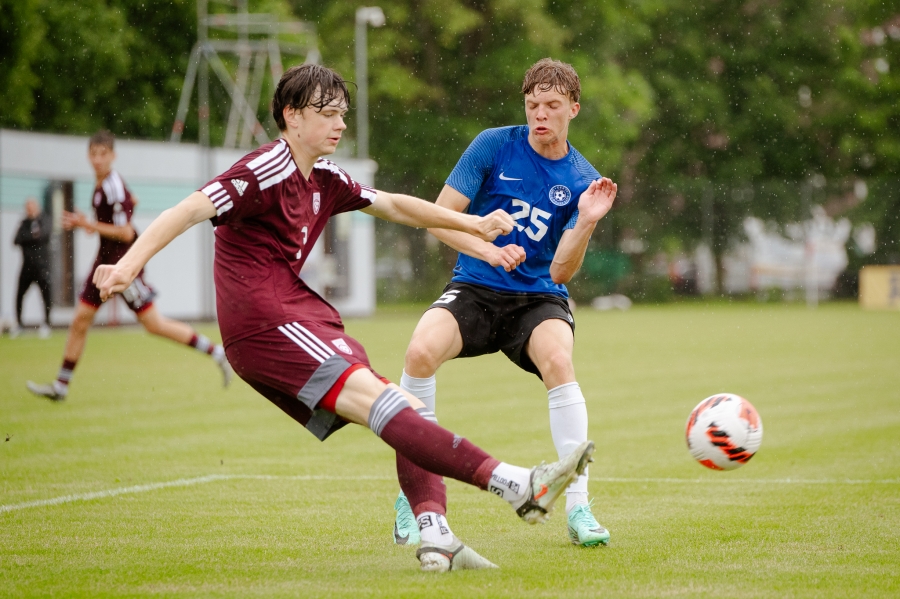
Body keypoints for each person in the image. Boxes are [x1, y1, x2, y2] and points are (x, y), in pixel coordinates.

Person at [92, 63, 595, 573]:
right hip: (267, 323)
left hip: (298, 314)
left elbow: (395, 206)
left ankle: (435, 531)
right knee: (392, 402)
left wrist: (474, 224)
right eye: (326, 113)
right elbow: (189, 208)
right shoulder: (266, 167)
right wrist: (129, 264)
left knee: (396, 407)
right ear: (290, 116)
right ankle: (515, 484)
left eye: (342, 114)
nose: (339, 124)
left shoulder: (326, 177)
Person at [392, 58, 617, 548]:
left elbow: (560, 272)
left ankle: (579, 507)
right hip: (475, 286)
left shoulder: (584, 178)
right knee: (418, 353)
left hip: (538, 297)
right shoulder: (493, 144)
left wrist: (586, 222)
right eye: (533, 104)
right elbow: (437, 220)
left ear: (573, 109)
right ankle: (415, 498)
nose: (541, 114)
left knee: (559, 359)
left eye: (552, 106)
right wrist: (489, 249)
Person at [27, 130, 232, 401]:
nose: (98, 159)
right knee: (80, 321)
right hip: (104, 263)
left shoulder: (112, 186)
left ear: (113, 156)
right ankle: (61, 387)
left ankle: (216, 353)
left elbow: (125, 232)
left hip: (124, 266)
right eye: (94, 154)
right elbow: (129, 203)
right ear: (88, 156)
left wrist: (87, 224)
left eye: (103, 154)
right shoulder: (104, 184)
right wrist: (108, 217)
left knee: (154, 324)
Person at [12, 197, 53, 338]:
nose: (30, 210)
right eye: (27, 207)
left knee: (46, 295)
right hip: (27, 267)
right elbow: (17, 239)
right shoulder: (24, 224)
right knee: (19, 295)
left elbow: (45, 235)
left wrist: (29, 238)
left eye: (32, 207)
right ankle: (19, 324)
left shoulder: (45, 220)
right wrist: (32, 236)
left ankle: (47, 323)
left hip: (42, 266)